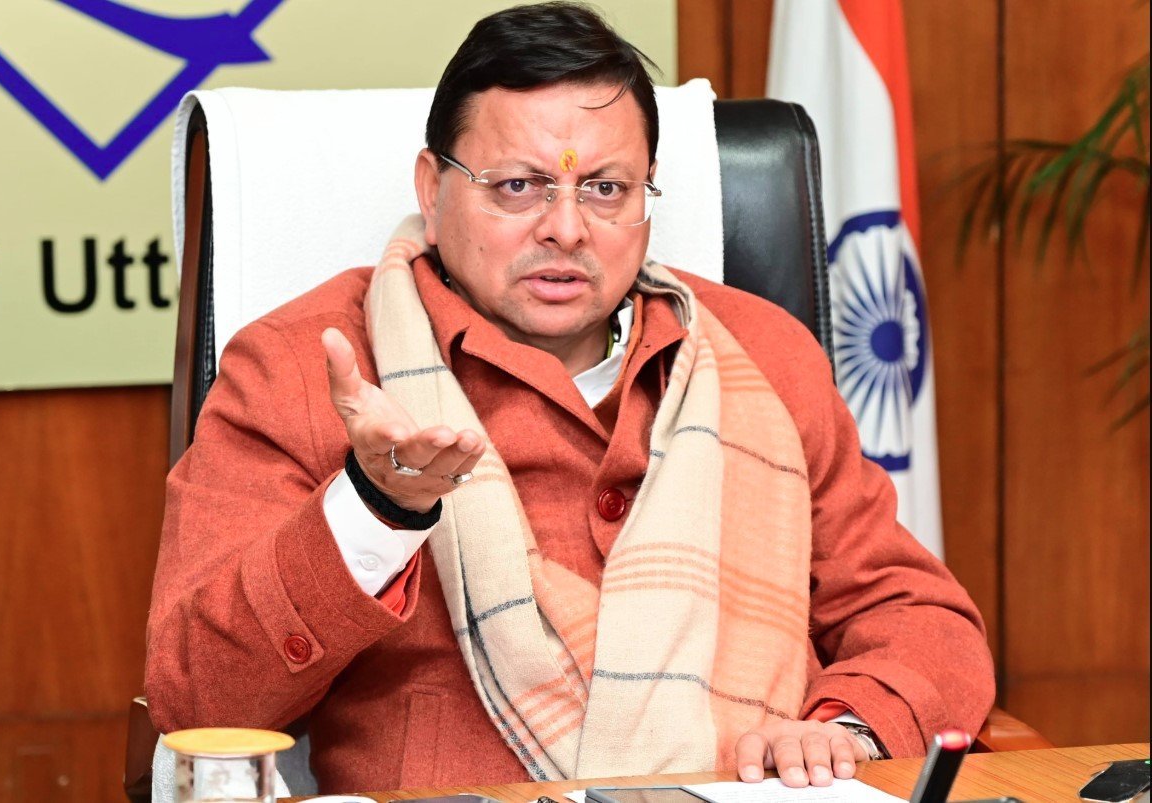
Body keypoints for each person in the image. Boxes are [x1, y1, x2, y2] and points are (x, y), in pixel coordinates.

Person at [145, 1, 994, 793]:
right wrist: (374, 508)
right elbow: (196, 697)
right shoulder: (307, 368)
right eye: (518, 186)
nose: (565, 227)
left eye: (605, 188)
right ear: (431, 188)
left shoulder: (762, 354)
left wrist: (845, 727)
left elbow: (920, 617)